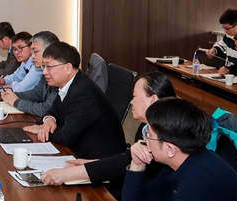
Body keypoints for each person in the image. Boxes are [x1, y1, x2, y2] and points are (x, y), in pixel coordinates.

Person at [43, 70, 177, 189]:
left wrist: (67, 174)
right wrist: (93, 164)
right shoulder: (145, 126)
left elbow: (126, 164)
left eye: (135, 96)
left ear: (152, 100)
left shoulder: (162, 134)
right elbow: (127, 158)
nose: (131, 102)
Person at [23, 42, 124, 161]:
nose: (44, 72)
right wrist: (49, 120)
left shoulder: (83, 92)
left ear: (68, 68)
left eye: (49, 67)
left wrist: (41, 129)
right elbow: (53, 110)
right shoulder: (69, 84)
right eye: (43, 66)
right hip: (79, 151)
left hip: (100, 161)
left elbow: (66, 137)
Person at [1, 30, 59, 116]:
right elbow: (36, 94)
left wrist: (16, 102)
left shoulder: (59, 74)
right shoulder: (45, 70)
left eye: (35, 52)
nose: (32, 56)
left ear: (49, 50)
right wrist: (12, 95)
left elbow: (46, 109)